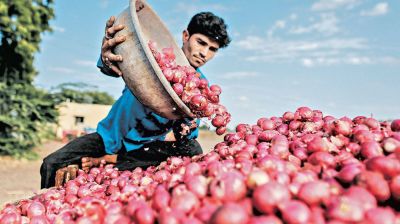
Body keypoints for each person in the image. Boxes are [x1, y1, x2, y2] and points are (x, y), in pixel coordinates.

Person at [40, 5, 231, 189]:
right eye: (201, 43)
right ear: (186, 36)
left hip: (144, 149)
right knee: (52, 163)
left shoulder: (201, 90)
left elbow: (185, 138)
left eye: (212, 49)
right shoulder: (155, 59)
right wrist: (108, 56)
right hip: (110, 137)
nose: (204, 53)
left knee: (192, 150)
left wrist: (188, 119)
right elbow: (114, 66)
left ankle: (111, 163)